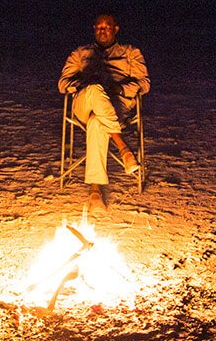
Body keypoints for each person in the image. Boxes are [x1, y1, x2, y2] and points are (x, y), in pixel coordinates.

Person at [59, 11, 149, 208]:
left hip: (117, 106)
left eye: (107, 27)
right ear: (94, 29)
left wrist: (119, 88)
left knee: (97, 123)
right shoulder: (80, 54)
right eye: (99, 27)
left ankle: (94, 192)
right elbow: (62, 83)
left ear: (115, 29)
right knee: (94, 89)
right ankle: (123, 148)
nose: (103, 30)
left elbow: (144, 84)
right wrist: (82, 85)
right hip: (85, 102)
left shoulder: (130, 53)